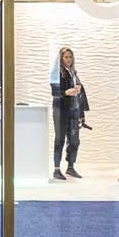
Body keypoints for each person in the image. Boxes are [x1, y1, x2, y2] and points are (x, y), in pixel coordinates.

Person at [52, 47, 85, 180]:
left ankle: (71, 166)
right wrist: (66, 92)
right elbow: (54, 92)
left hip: (74, 109)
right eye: (66, 57)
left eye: (70, 57)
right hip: (61, 109)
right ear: (61, 58)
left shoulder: (73, 72)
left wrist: (82, 112)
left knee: (74, 140)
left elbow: (82, 93)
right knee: (60, 139)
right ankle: (56, 169)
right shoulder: (57, 73)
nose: (69, 59)